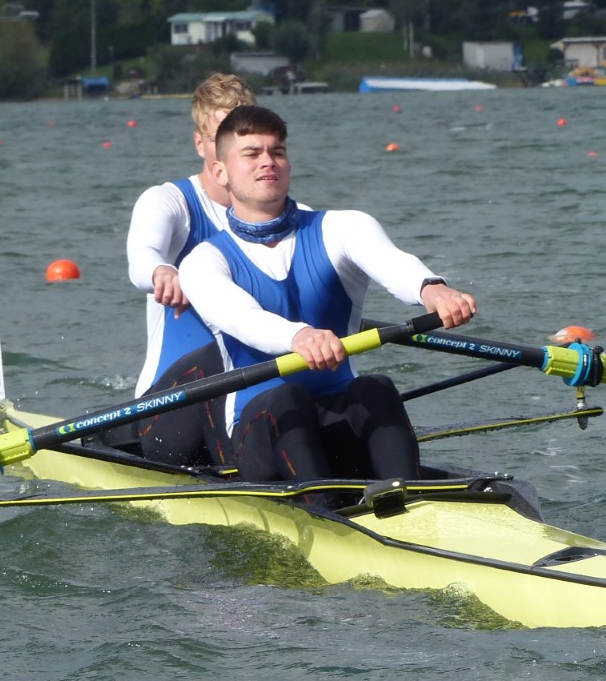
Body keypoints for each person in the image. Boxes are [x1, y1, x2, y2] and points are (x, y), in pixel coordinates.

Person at [178, 104, 477, 482]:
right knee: (289, 398)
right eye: (251, 153)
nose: (267, 161)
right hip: (262, 432)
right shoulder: (203, 261)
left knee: (375, 388)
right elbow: (242, 318)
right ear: (220, 171)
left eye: (277, 152)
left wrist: (432, 290)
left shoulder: (343, 228)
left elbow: (392, 263)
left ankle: (409, 496)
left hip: (335, 422)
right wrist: (299, 336)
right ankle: (322, 503)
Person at [124, 73, 257, 465]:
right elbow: (142, 255)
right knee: (220, 355)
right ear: (199, 143)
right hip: (167, 413)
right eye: (220, 137)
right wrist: (163, 273)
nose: (231, 149)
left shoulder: (280, 217)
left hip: (245, 400)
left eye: (242, 136)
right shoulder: (170, 202)